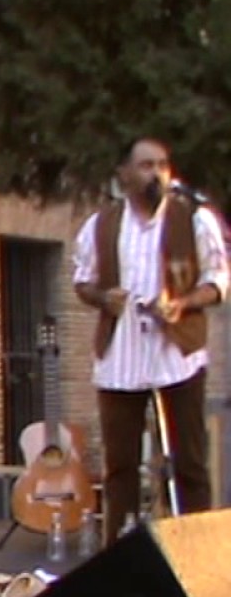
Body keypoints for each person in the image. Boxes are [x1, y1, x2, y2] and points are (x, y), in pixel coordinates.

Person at [72, 137, 228, 545]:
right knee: (120, 467)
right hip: (120, 359)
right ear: (124, 174)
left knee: (189, 463)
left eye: (162, 165)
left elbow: (218, 281)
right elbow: (82, 281)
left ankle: (198, 553)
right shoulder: (101, 225)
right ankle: (119, 552)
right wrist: (103, 298)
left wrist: (181, 304)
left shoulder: (195, 220)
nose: (156, 173)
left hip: (177, 356)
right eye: (145, 165)